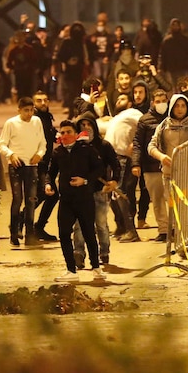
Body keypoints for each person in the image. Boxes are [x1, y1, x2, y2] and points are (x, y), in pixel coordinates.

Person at [147, 93, 188, 248]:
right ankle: (176, 242)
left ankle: (186, 241)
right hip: (169, 175)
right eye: (177, 105)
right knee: (173, 209)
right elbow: (151, 146)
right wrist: (162, 157)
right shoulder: (164, 125)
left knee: (186, 209)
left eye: (183, 106)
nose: (180, 109)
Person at [45, 120, 106, 283]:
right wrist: (48, 184)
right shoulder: (58, 152)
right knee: (64, 234)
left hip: (84, 199)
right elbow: (50, 173)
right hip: (66, 200)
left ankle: (96, 268)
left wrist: (85, 181)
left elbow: (99, 169)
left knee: (89, 234)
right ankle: (71, 270)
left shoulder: (87, 150)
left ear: (76, 134)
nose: (65, 135)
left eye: (68, 132)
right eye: (62, 133)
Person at [0, 96, 47, 247]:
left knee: (31, 200)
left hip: (32, 166)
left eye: (31, 110)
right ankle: (14, 233)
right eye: (26, 110)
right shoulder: (11, 123)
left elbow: (42, 143)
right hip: (17, 166)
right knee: (17, 199)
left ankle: (29, 234)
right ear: (19, 110)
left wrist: (40, 154)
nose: (29, 114)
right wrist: (11, 154)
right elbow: (2, 144)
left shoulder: (37, 122)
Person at [72, 114, 117, 267]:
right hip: (81, 192)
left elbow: (115, 164)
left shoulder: (104, 146)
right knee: (79, 224)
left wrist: (114, 181)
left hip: (99, 191)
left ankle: (104, 252)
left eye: (88, 124)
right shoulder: (75, 147)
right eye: (82, 125)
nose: (86, 128)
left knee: (101, 224)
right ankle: (78, 253)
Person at [103, 93, 142, 242]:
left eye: (123, 99)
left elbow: (147, 125)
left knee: (120, 193)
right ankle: (121, 227)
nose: (119, 100)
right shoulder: (117, 117)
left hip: (122, 158)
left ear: (130, 103)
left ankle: (131, 231)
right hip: (110, 158)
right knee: (111, 194)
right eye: (118, 99)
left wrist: (136, 143)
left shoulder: (133, 113)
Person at [132, 88, 169, 242]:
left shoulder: (173, 118)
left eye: (164, 101)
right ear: (153, 103)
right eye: (158, 102)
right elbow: (138, 144)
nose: (161, 104)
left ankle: (178, 228)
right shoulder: (145, 120)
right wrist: (136, 163)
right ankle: (164, 230)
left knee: (174, 199)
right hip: (151, 167)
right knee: (158, 200)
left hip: (170, 165)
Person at [32, 90, 59, 241]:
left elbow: (50, 134)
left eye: (45, 100)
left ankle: (33, 225)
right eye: (39, 100)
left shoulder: (46, 117)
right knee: (47, 194)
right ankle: (30, 224)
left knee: (44, 195)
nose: (43, 103)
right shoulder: (35, 118)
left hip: (46, 162)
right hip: (37, 163)